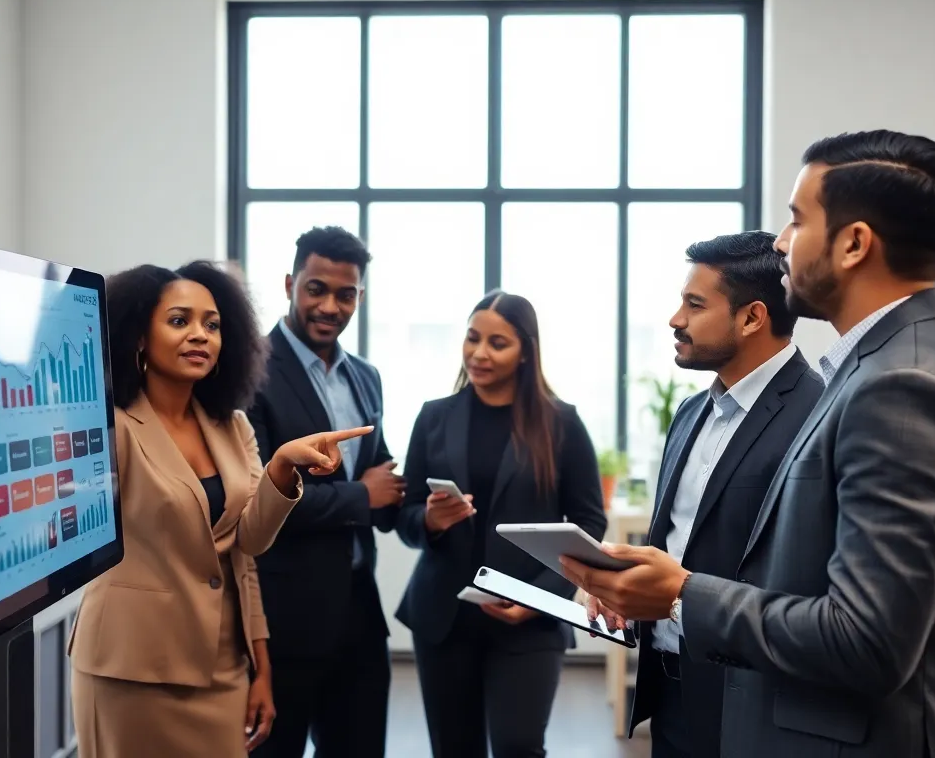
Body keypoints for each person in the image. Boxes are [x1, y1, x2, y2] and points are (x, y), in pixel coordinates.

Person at [562, 130, 935, 758]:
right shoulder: (879, 367)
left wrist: (682, 595)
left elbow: (868, 641)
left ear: (854, 244)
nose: (780, 242)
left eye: (798, 220)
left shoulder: (905, 387)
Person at [68, 261, 372, 758]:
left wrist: (282, 466)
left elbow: (248, 545)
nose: (200, 335)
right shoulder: (107, 424)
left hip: (222, 664)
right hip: (130, 666)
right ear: (139, 335)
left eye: (212, 325)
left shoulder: (232, 426)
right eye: (179, 321)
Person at [629, 231, 823, 758]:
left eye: (695, 305)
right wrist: (624, 588)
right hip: (671, 689)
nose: (676, 319)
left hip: (755, 700)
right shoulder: (690, 413)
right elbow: (679, 542)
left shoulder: (819, 413)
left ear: (752, 317)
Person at [395, 290, 607, 758]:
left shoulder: (562, 423)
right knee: (454, 750)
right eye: (472, 338)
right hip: (444, 617)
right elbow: (404, 519)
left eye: (497, 343)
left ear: (525, 352)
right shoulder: (433, 417)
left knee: (518, 745)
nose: (479, 353)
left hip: (531, 620)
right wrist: (429, 519)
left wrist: (538, 599)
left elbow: (589, 522)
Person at [247, 226, 402, 758]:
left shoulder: (366, 377)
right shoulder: (250, 372)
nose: (330, 306)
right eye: (316, 289)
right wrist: (363, 496)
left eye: (346, 294)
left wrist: (418, 503)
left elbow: (379, 472)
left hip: (359, 612)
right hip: (284, 620)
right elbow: (257, 501)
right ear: (290, 284)